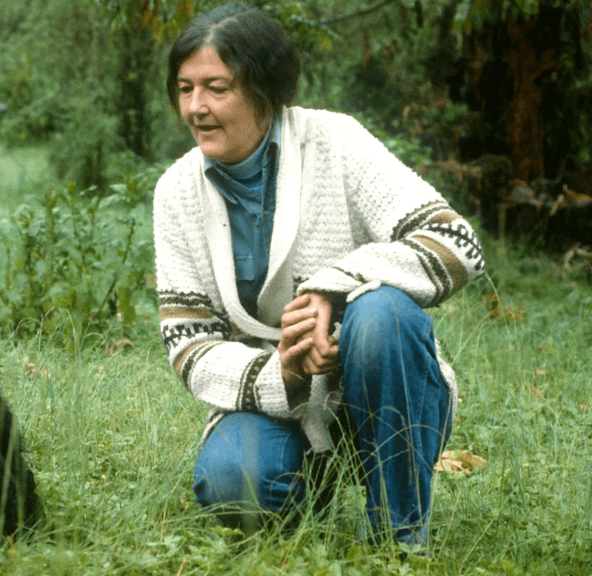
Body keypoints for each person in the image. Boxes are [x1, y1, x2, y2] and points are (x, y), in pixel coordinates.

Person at [153, 3, 485, 547]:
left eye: (217, 87)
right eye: (185, 88)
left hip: (381, 381)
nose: (197, 107)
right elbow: (189, 345)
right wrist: (284, 370)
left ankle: (401, 537)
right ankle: (313, 480)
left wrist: (333, 286)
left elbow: (457, 243)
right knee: (233, 486)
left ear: (265, 89)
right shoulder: (175, 191)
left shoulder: (335, 141)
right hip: (275, 397)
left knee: (381, 313)